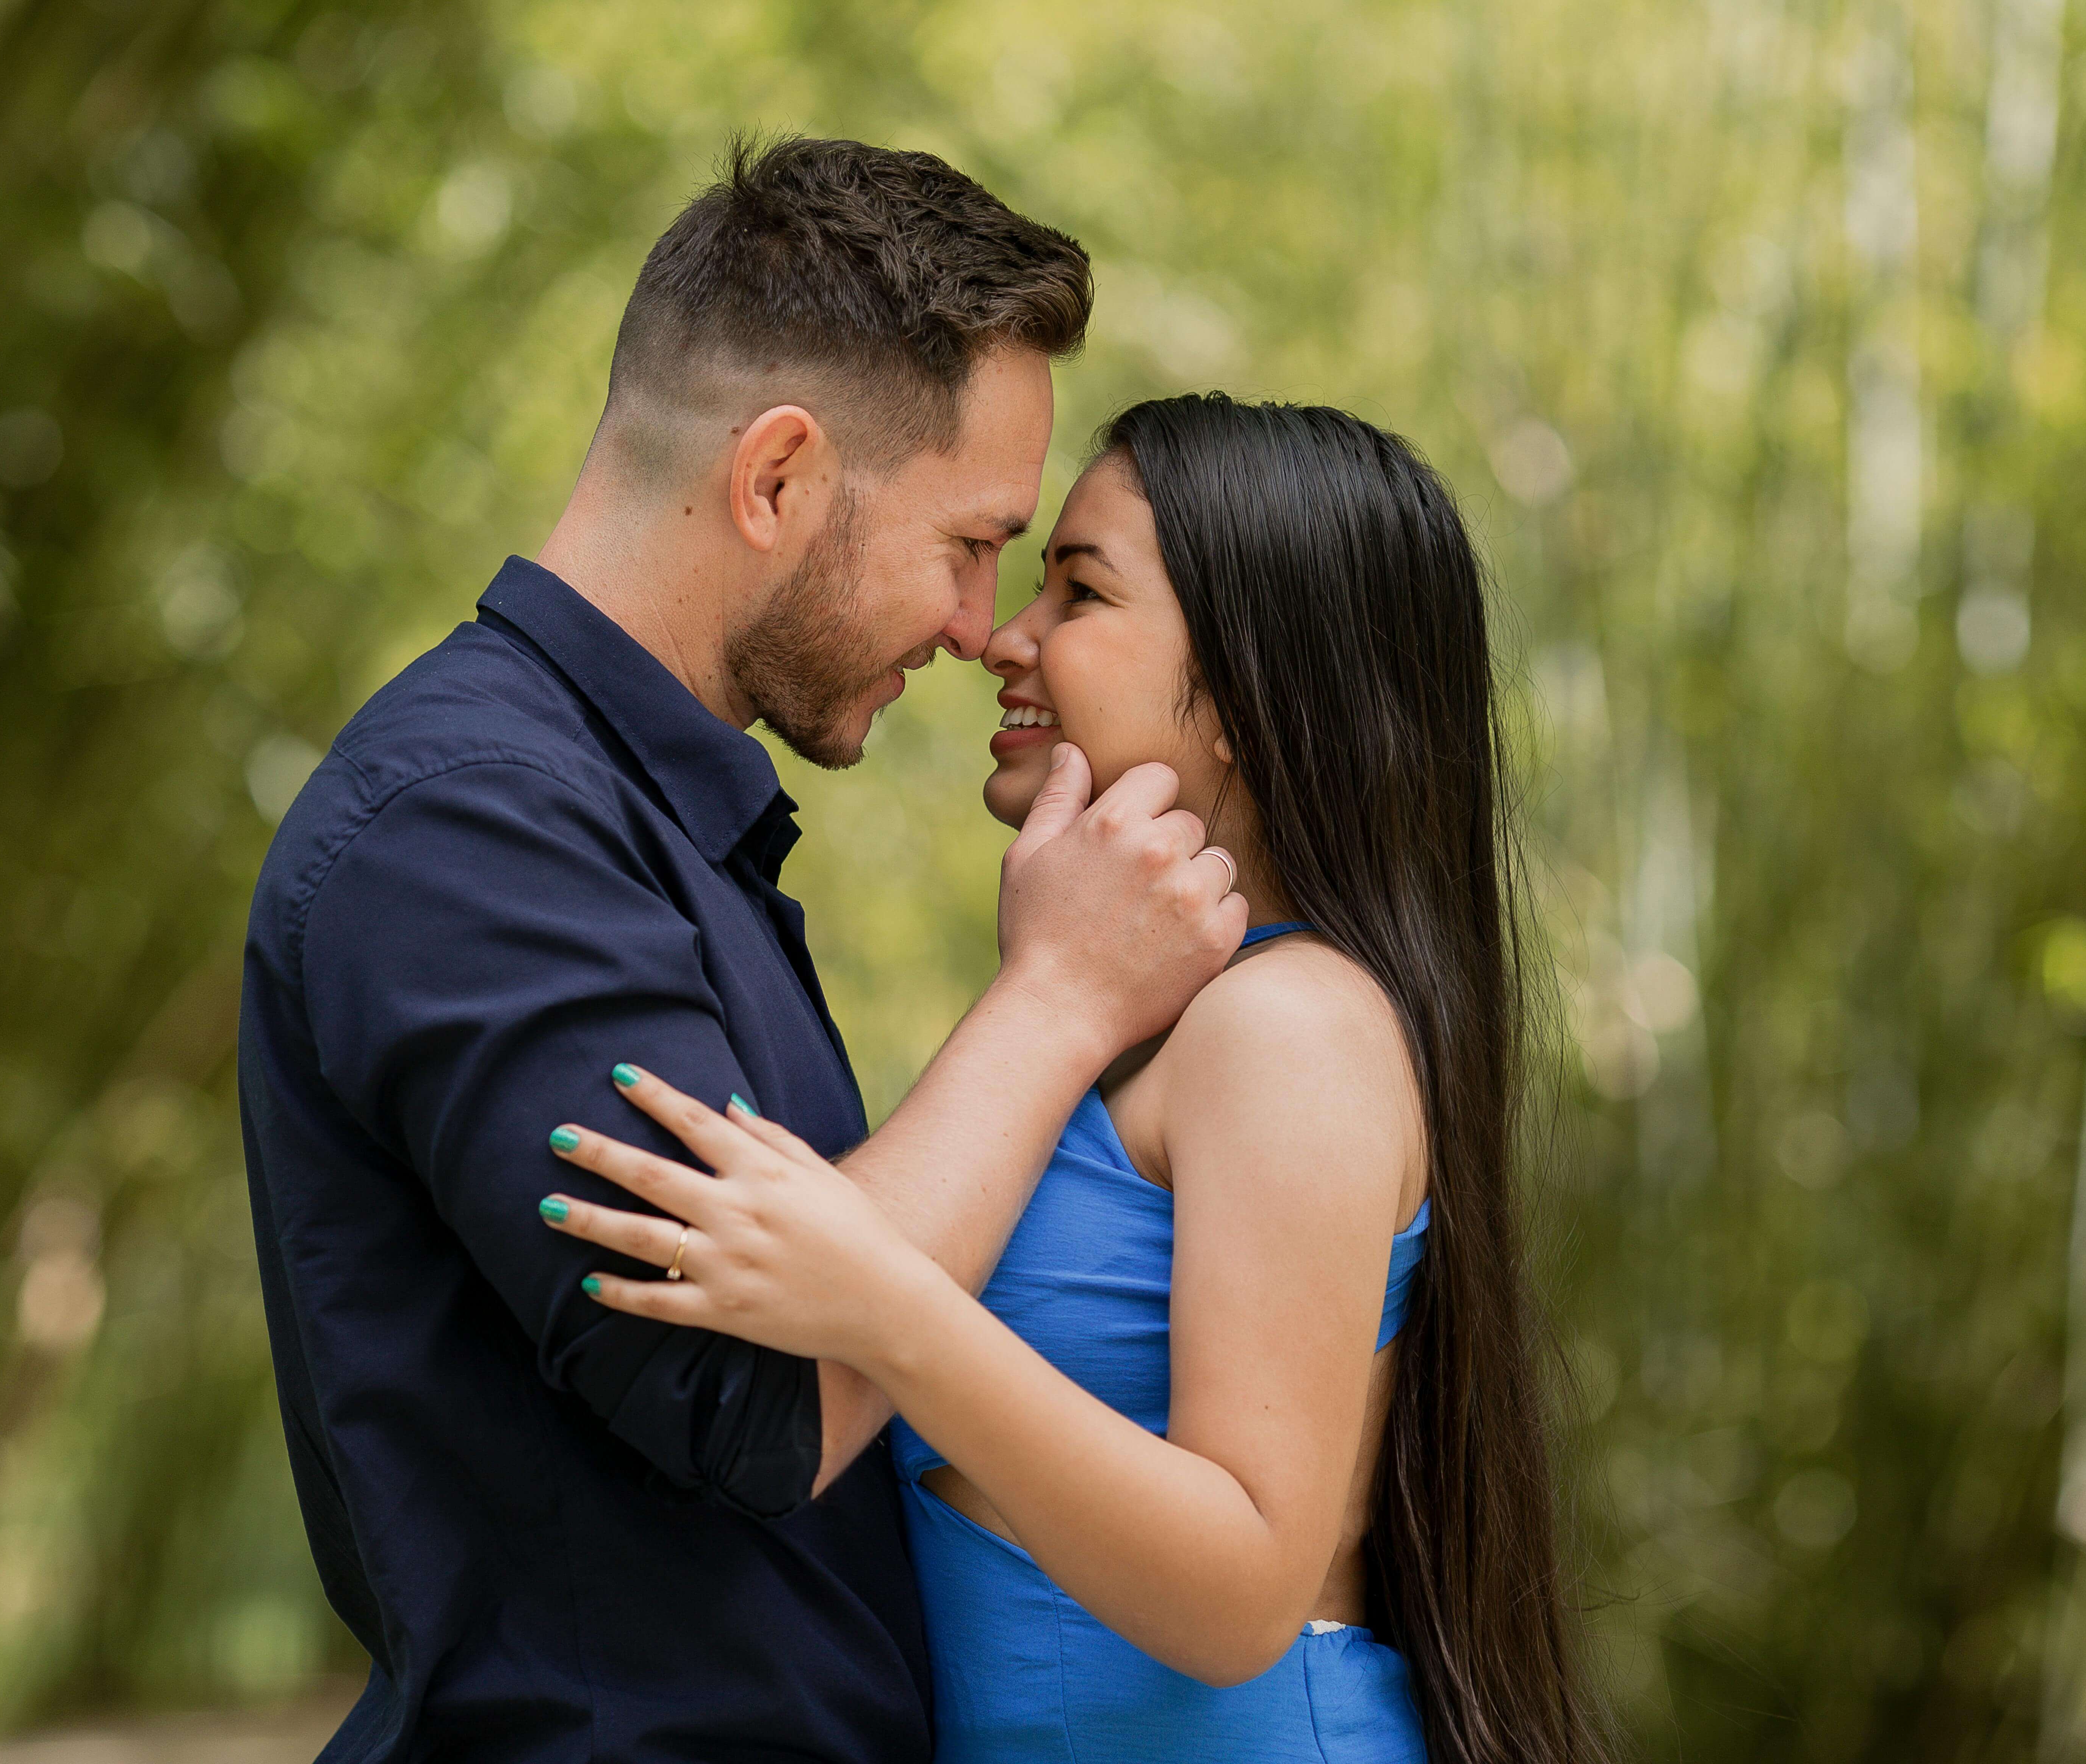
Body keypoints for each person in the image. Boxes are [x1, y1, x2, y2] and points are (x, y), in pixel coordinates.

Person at [238, 141, 1247, 1763]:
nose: (981, 626)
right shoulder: (473, 826)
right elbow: (760, 1401)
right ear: (777, 477)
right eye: (972, 542)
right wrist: (1060, 997)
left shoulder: (638, 816)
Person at [543, 394, 1612, 1763]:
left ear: (1250, 695)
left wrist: (886, 1304)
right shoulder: (1158, 1023)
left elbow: (1244, 1588)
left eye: (1081, 591)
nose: (1004, 636)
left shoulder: (1289, 1027)